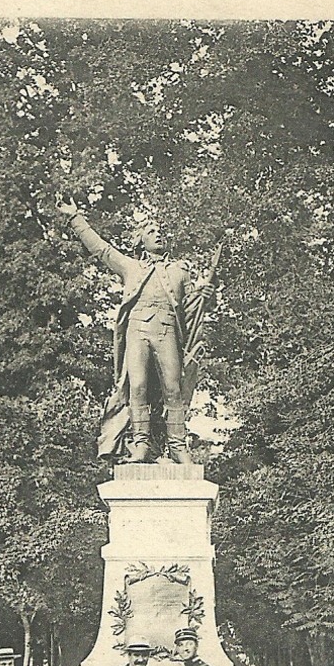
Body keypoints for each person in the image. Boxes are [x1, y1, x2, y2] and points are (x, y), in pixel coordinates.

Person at [57, 195, 214, 464]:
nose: (158, 234)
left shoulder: (180, 271)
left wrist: (207, 295)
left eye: (160, 231)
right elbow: (102, 249)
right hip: (137, 331)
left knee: (173, 389)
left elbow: (193, 308)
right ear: (140, 240)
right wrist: (75, 217)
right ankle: (140, 444)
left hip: (166, 330)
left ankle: (178, 446)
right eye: (151, 231)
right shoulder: (131, 267)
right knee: (137, 386)